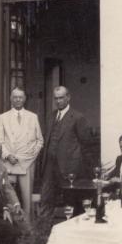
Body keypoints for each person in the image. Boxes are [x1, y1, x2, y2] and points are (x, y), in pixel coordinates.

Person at [37, 86, 93, 220]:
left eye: (61, 98)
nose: (58, 101)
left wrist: (86, 172)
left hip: (69, 168)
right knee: (46, 200)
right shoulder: (51, 116)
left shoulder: (78, 117)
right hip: (50, 166)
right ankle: (43, 234)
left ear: (68, 97)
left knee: (71, 202)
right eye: (56, 98)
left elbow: (86, 145)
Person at [0, 88, 43, 223]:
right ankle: (12, 227)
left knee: (26, 197)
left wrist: (30, 157)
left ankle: (28, 228)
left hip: (27, 163)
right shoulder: (3, 117)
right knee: (9, 196)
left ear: (25, 99)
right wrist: (7, 155)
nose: (17, 100)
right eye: (15, 97)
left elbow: (40, 141)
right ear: (11, 99)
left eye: (20, 97)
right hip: (9, 163)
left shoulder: (32, 117)